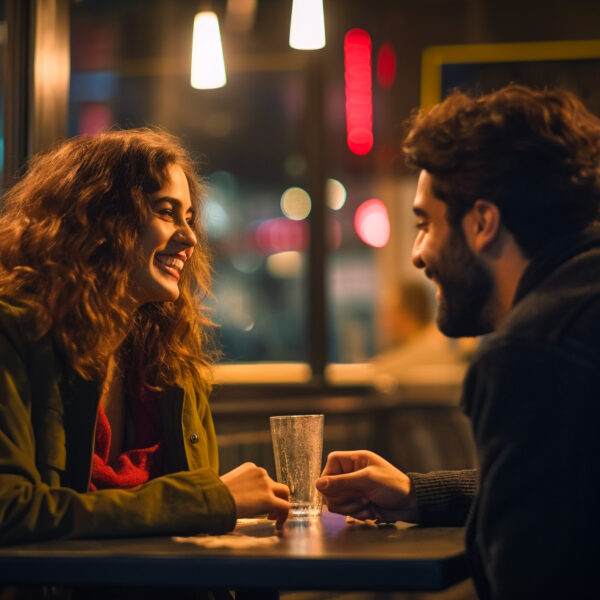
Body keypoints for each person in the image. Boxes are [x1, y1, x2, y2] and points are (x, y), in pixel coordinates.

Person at [316, 84, 600, 600]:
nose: (417, 255)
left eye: (424, 224)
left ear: (483, 222)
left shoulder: (530, 353)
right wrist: (416, 494)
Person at [0, 128, 290, 553]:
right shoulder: (16, 335)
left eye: (189, 218)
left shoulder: (169, 365)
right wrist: (210, 499)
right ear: (99, 219)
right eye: (166, 212)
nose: (190, 238)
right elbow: (10, 512)